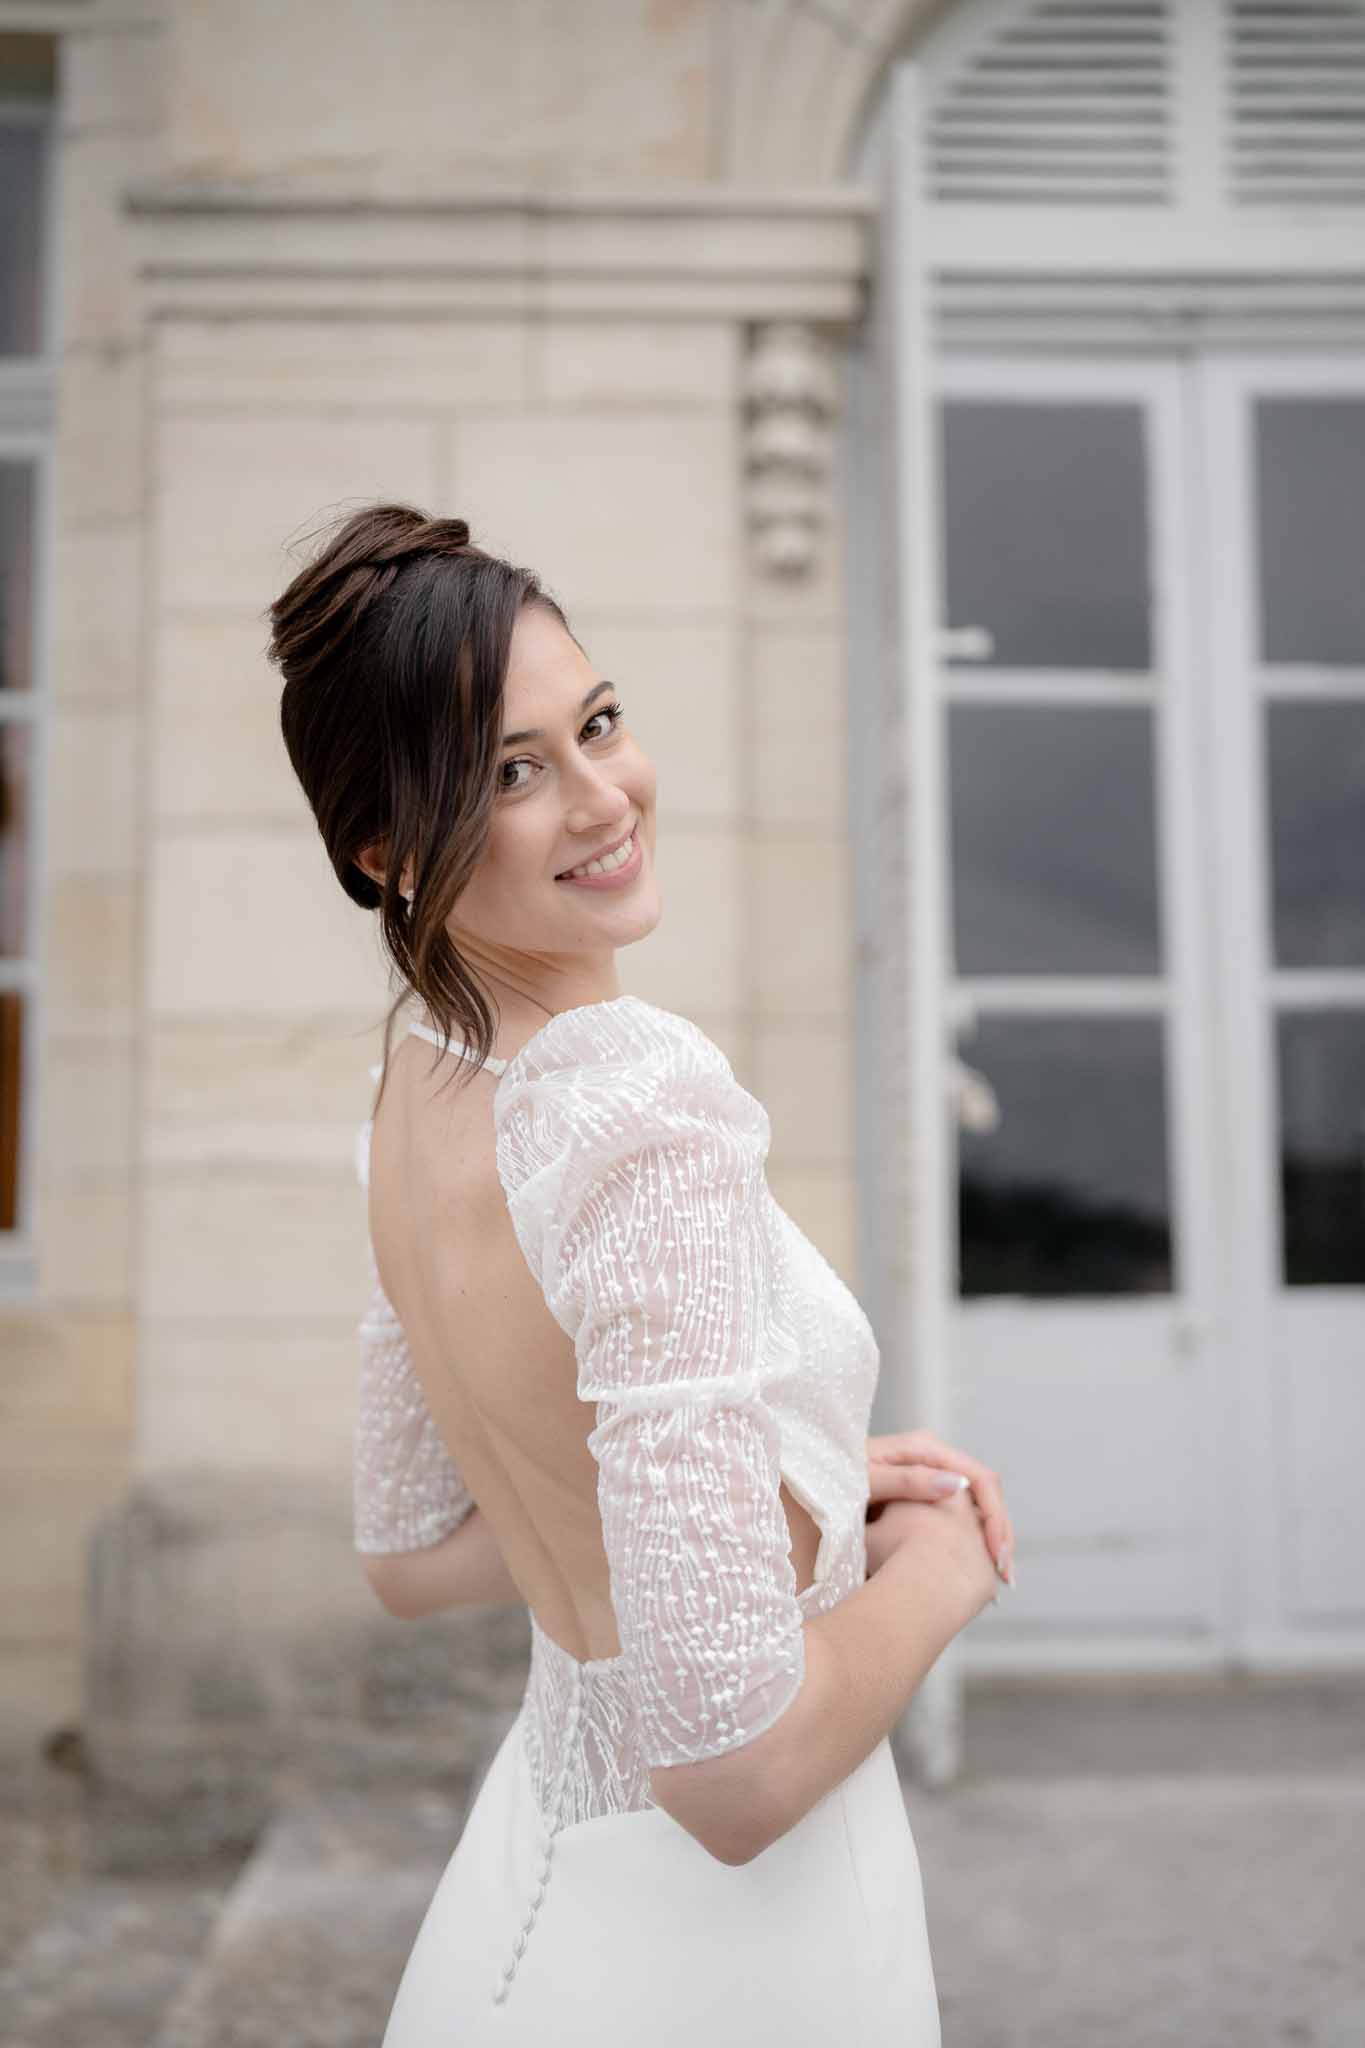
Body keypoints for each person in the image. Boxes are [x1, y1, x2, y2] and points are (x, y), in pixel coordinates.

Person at [268, 503, 1015, 2046]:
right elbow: (728, 1768)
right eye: (511, 774)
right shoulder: (630, 1099)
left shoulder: (417, 1092)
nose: (605, 799)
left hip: (531, 1884)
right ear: (388, 853)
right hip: (727, 1948)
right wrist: (945, 1571)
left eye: (595, 723)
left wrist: (778, 1470)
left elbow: (414, 1552)